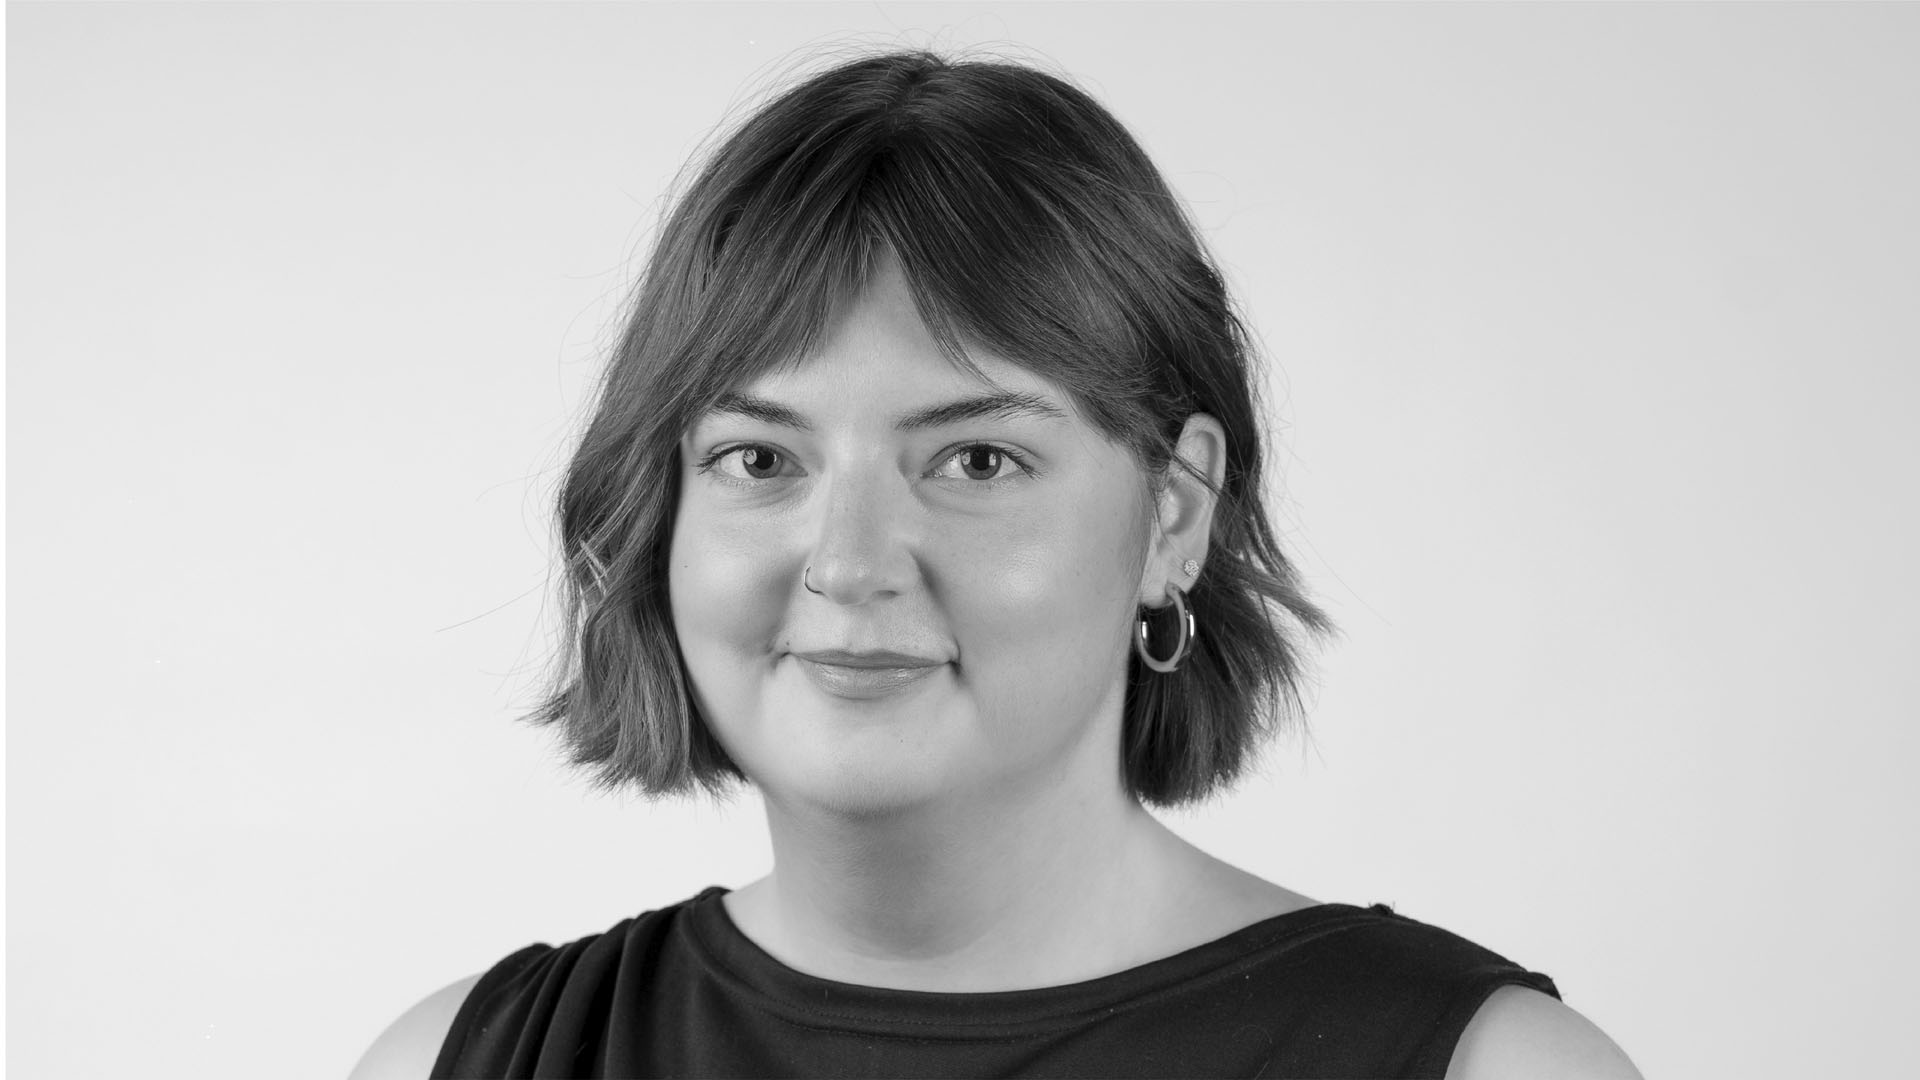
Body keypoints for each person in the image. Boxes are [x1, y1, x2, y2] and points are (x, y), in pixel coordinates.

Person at [352, 49, 1641, 1079]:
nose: (849, 564)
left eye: (976, 460)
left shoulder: (1494, 1070)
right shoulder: (458, 1062)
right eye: (760, 458)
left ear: (1175, 511)